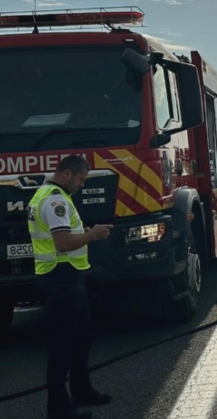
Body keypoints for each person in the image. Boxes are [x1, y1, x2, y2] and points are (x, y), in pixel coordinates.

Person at [27, 155, 113, 419]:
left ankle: (81, 390)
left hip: (68, 275)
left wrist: (83, 234)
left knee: (82, 334)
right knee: (64, 341)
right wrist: (92, 235)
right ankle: (59, 406)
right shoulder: (56, 201)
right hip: (61, 276)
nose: (81, 185)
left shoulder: (43, 194)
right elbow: (62, 243)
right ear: (66, 174)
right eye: (80, 179)